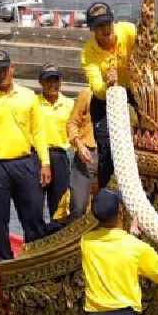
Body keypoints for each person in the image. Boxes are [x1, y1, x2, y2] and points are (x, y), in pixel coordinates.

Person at [0, 49, 50, 260]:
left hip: (25, 162)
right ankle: (4, 264)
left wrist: (45, 163)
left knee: (33, 217)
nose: (1, 75)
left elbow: (38, 133)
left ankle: (36, 260)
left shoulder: (29, 97)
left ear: (12, 69)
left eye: (4, 70)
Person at [80, 1, 138, 192]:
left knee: (143, 140)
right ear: (92, 29)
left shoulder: (128, 31)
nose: (106, 29)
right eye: (99, 26)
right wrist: (108, 86)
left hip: (133, 92)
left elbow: (149, 45)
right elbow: (96, 87)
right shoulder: (89, 52)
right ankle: (106, 194)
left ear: (114, 21)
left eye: (108, 23)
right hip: (106, 97)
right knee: (107, 148)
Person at [34, 62, 74, 218]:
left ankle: (57, 237)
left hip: (60, 156)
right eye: (48, 80)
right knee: (34, 204)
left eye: (55, 80)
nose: (52, 84)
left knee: (59, 207)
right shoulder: (33, 103)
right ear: (41, 82)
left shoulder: (70, 104)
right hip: (36, 157)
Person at [65, 86, 97, 218]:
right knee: (78, 208)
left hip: (112, 157)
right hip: (87, 153)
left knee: (106, 208)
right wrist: (79, 144)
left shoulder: (120, 95)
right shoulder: (87, 93)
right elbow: (72, 123)